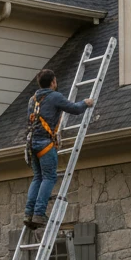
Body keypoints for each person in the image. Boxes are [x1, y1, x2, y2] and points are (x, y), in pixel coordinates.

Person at [24, 69, 93, 230]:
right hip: (45, 144)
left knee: (37, 178)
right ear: (53, 82)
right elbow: (74, 109)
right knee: (49, 177)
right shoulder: (54, 97)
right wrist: (86, 103)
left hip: (31, 144)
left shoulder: (32, 100)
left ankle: (28, 213)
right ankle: (39, 213)